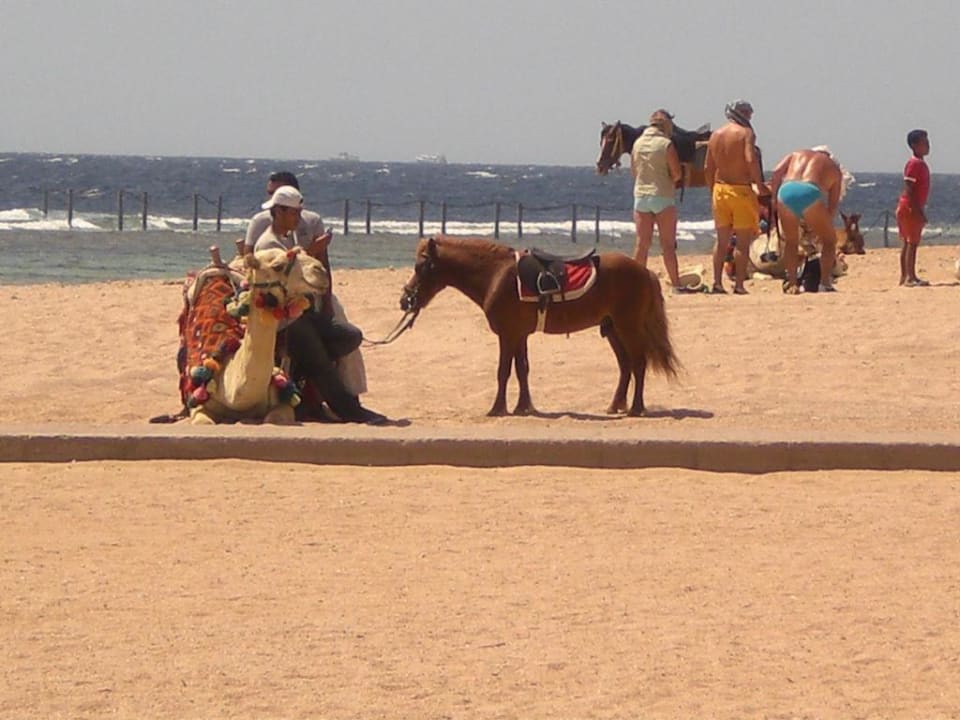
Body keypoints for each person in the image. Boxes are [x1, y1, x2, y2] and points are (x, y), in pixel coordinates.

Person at [254, 185, 387, 425]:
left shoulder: (287, 238)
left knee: (350, 336)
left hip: (300, 313)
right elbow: (286, 273)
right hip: (284, 319)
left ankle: (305, 371)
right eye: (293, 213)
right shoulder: (267, 245)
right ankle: (349, 410)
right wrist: (312, 251)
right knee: (319, 358)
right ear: (279, 212)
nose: (298, 218)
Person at [247, 171, 369, 394]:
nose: (273, 198)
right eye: (271, 195)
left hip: (311, 293)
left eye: (278, 194)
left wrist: (327, 301)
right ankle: (341, 400)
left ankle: (345, 388)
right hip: (282, 303)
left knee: (349, 336)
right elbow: (257, 264)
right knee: (315, 350)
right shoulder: (262, 226)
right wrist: (311, 250)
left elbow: (322, 265)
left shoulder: (309, 222)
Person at [703, 99, 767, 294]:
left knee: (721, 240)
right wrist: (759, 184)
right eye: (748, 112)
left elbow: (708, 167)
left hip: (720, 189)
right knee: (742, 241)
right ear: (742, 113)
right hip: (741, 190)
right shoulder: (746, 133)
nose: (750, 116)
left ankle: (717, 283)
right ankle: (739, 285)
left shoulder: (716, 135)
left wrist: (711, 189)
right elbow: (750, 159)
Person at [769, 146, 848, 293]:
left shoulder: (796, 154)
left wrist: (773, 198)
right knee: (829, 240)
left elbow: (776, 172)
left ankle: (792, 283)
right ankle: (825, 283)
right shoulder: (834, 168)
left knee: (791, 241)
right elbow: (832, 206)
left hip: (786, 190)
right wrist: (822, 227)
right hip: (809, 191)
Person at [630, 109, 689, 292]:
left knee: (642, 244)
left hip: (641, 196)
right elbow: (676, 173)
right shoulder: (666, 144)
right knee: (668, 245)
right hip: (662, 196)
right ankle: (676, 284)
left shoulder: (637, 144)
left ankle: (635, 283)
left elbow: (634, 171)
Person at [896, 129, 931, 287]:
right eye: (924, 142)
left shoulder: (919, 163)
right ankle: (910, 276)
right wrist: (918, 210)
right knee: (912, 242)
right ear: (914, 145)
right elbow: (909, 188)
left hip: (910, 205)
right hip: (910, 207)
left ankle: (906, 276)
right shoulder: (914, 163)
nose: (928, 145)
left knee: (907, 241)